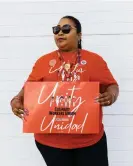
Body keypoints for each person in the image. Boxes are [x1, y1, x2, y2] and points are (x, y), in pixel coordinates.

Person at [10, 16, 119, 166]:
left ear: (79, 35)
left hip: (89, 142)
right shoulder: (43, 61)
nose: (60, 33)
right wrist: (16, 100)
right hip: (50, 143)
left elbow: (112, 85)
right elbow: (28, 88)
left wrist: (111, 95)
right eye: (56, 30)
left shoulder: (95, 60)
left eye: (66, 29)